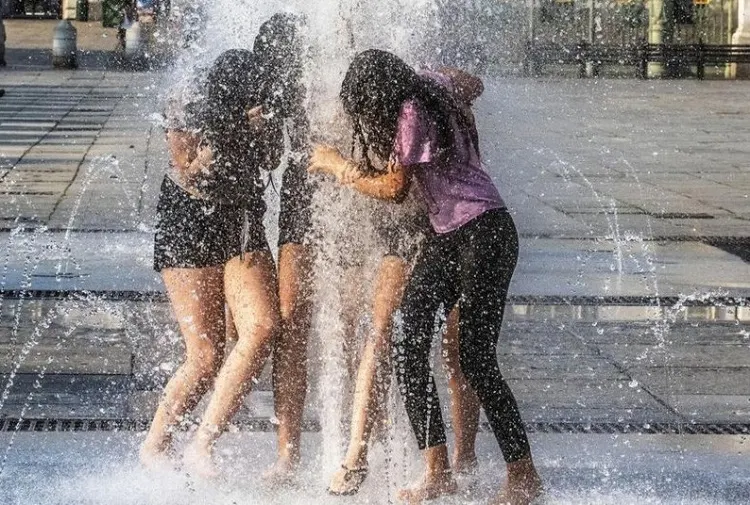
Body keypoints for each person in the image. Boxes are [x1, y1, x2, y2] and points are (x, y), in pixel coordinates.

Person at [309, 49, 543, 505]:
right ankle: (437, 472)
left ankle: (524, 476)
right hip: (453, 234)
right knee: (407, 339)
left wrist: (336, 165)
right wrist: (443, 86)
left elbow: (393, 190)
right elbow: (473, 82)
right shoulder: (431, 85)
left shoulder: (411, 112)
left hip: (483, 233)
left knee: (476, 358)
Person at [140, 49, 284, 477]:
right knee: (205, 353)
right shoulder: (188, 101)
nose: (261, 105)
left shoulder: (263, 101)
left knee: (262, 327)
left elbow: (271, 160)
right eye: (252, 100)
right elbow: (188, 171)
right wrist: (235, 129)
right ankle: (156, 445)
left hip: (240, 217)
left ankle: (203, 442)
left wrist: (262, 131)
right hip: (190, 216)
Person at [249, 13, 319, 484]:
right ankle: (288, 452)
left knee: (361, 325)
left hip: (355, 189)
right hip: (303, 191)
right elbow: (272, 155)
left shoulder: (341, 66)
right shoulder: (276, 81)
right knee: (292, 321)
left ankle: (366, 443)